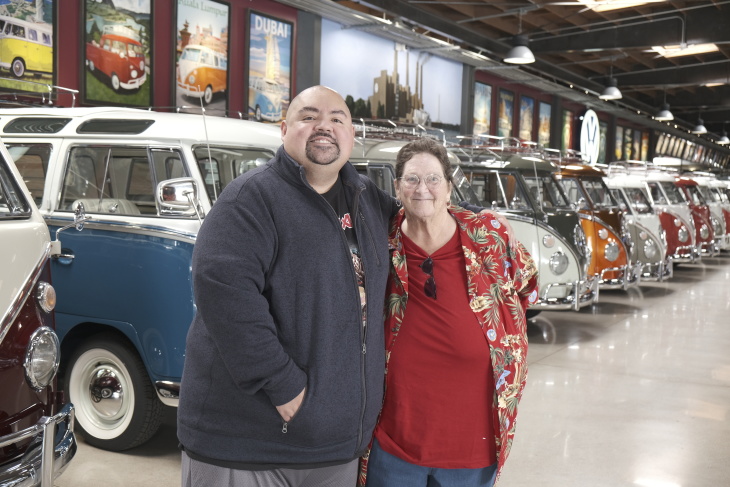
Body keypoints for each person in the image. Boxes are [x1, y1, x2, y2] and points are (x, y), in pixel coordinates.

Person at [177, 85, 396, 486]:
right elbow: (225, 296)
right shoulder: (250, 199)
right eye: (308, 117)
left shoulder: (369, 201)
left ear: (352, 135)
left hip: (334, 448)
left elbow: (426, 216)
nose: (323, 127)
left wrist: (479, 222)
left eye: (336, 119)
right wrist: (287, 392)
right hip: (247, 446)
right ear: (284, 129)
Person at [361, 138, 538, 487]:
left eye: (433, 179)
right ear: (397, 187)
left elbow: (526, 285)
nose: (422, 188)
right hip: (395, 441)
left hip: (472, 446)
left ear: (448, 186)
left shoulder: (488, 235)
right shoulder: (381, 240)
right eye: (411, 179)